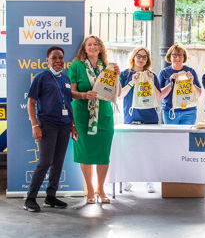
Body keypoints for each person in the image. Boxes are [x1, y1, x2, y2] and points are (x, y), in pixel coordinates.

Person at [24, 46, 78, 212]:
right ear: (47, 60)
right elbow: (31, 103)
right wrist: (35, 125)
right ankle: (30, 199)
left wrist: (73, 125)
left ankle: (51, 196)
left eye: (60, 58)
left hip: (64, 125)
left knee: (58, 162)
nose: (58, 61)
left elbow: (68, 104)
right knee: (45, 162)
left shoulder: (66, 79)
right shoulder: (40, 78)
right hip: (47, 125)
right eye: (54, 58)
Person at [68, 35, 120, 204]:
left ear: (100, 48)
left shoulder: (107, 67)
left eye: (96, 44)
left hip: (103, 115)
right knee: (85, 152)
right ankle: (90, 189)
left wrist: (117, 76)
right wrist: (84, 95)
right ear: (84, 49)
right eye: (89, 44)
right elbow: (70, 92)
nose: (93, 47)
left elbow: (117, 93)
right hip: (83, 114)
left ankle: (100, 187)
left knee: (103, 153)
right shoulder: (76, 67)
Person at [118, 46, 161, 193]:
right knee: (129, 152)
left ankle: (149, 181)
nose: (141, 59)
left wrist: (151, 80)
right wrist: (132, 82)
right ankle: (126, 179)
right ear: (133, 57)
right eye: (139, 56)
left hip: (150, 117)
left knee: (149, 152)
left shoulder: (152, 74)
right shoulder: (125, 74)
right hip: (131, 118)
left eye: (144, 57)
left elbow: (158, 97)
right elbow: (119, 95)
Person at [159, 43, 202, 125]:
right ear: (170, 57)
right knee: (171, 137)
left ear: (184, 57)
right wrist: (171, 83)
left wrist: (191, 82)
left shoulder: (191, 71)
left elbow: (198, 94)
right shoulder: (164, 72)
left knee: (186, 137)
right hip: (170, 112)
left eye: (180, 55)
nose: (177, 58)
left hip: (189, 112)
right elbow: (160, 95)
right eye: (174, 55)